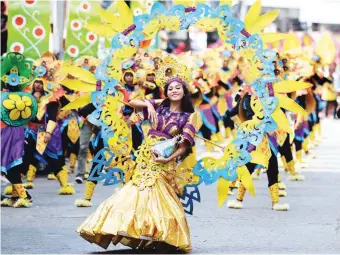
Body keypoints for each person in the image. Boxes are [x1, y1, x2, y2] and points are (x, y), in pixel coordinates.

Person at [77, 78, 197, 252]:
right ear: (166, 92)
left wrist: (167, 159)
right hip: (146, 156)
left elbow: (184, 145)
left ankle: (164, 234)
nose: (174, 91)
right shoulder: (159, 105)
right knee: (135, 192)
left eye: (178, 88)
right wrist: (148, 105)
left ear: (184, 91)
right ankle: (132, 229)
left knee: (159, 196)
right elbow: (130, 102)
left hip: (164, 161)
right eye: (170, 88)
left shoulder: (189, 116)